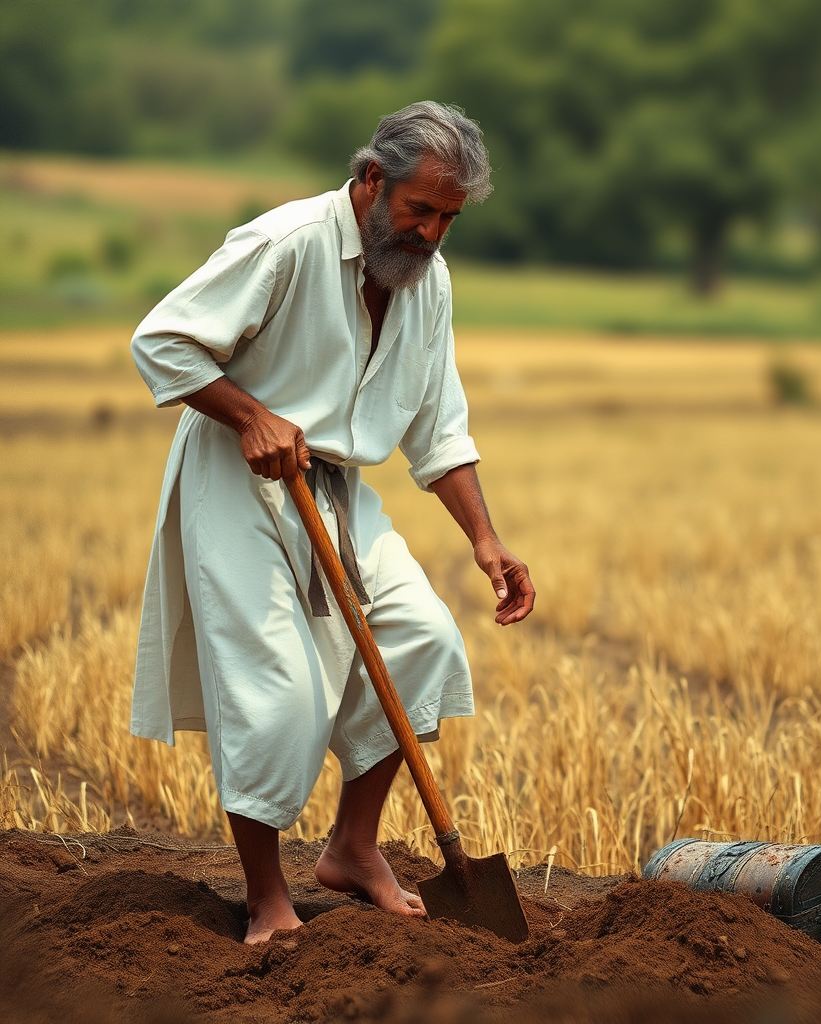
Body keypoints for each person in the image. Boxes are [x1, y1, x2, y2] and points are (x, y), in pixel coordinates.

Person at [129, 102, 536, 943]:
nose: (429, 234)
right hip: (235, 478)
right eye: (420, 210)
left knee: (424, 639)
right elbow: (161, 340)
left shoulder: (431, 283)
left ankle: (354, 849)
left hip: (337, 488)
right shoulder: (285, 244)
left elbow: (438, 426)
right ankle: (267, 894)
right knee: (274, 694)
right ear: (372, 180)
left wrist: (485, 541)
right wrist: (248, 416)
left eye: (448, 219)